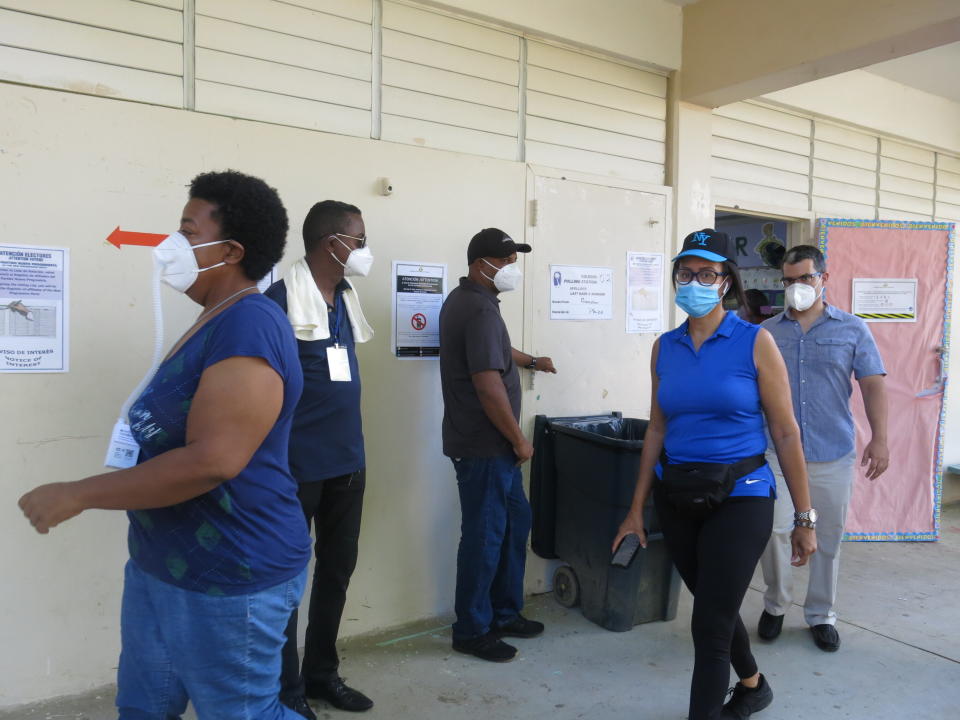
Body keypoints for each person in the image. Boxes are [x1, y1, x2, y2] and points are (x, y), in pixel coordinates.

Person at [18, 170, 312, 719]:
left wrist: (79, 493)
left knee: (242, 713)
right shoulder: (215, 318)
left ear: (229, 250)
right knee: (144, 707)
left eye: (186, 229)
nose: (171, 243)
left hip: (231, 573)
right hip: (162, 563)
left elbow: (214, 460)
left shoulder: (249, 325)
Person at [613, 228, 817, 720]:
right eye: (686, 272)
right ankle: (753, 686)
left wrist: (806, 517)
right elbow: (657, 430)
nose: (694, 281)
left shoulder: (755, 342)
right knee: (715, 606)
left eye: (707, 273)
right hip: (678, 493)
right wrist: (635, 510)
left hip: (743, 494)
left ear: (727, 282)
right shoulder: (666, 347)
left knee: (708, 625)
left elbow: (786, 434)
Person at [265, 201, 375, 718]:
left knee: (337, 571)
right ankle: (285, 691)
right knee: (287, 582)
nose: (363, 248)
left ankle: (320, 675)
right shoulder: (279, 300)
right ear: (331, 242)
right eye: (359, 238)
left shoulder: (346, 297)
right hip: (294, 468)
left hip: (348, 463)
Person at [757, 245, 888, 652]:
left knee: (827, 536)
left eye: (805, 278)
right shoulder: (767, 333)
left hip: (831, 452)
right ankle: (777, 604)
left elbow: (872, 383)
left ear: (823, 279)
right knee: (774, 531)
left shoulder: (852, 329)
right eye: (789, 280)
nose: (796, 287)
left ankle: (820, 613)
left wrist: (880, 438)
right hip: (775, 455)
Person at [439, 228, 557, 663]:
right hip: (486, 446)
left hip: (486, 447)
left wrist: (530, 362)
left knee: (512, 524)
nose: (512, 268)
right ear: (481, 264)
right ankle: (471, 629)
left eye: (513, 260)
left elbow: (496, 351)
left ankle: (504, 612)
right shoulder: (479, 310)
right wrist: (519, 440)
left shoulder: (467, 302)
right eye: (505, 261)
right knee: (485, 537)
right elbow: (488, 384)